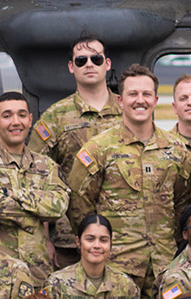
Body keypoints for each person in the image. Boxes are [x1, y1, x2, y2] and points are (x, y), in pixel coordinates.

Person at [67, 64, 191, 299]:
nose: (140, 100)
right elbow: (79, 206)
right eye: (133, 94)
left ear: (156, 100)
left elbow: (183, 204)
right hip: (118, 267)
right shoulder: (99, 149)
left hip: (164, 266)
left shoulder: (176, 150)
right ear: (120, 100)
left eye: (147, 94)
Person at [31, 34, 123, 267]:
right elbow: (36, 176)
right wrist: (45, 239)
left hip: (125, 234)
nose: (89, 64)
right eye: (81, 61)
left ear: (107, 63)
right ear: (72, 67)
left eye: (96, 59)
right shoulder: (55, 116)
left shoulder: (127, 111)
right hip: (71, 237)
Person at [0, 91, 71, 281]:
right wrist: (34, 218)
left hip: (36, 273)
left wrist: (13, 193)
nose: (15, 122)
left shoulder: (46, 165)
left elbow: (59, 205)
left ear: (29, 120)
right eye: (7, 116)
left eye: (21, 115)